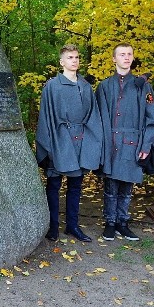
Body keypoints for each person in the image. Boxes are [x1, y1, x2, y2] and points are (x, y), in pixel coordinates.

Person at [95, 43, 154, 242]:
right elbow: (98, 119)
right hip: (110, 143)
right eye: (122, 54)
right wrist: (101, 146)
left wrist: (146, 145)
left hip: (133, 143)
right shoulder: (104, 86)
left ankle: (123, 223)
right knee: (110, 187)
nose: (126, 58)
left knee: (127, 187)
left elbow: (152, 119)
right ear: (114, 59)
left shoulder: (143, 86)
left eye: (129, 54)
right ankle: (110, 223)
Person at [35, 44, 103, 243]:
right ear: (61, 61)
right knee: (54, 184)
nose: (74, 61)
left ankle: (72, 225)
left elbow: (93, 116)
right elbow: (45, 118)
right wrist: (47, 146)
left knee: (76, 185)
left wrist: (92, 140)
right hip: (59, 139)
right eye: (70, 57)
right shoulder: (52, 86)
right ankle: (53, 226)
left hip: (80, 140)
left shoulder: (85, 86)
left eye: (77, 57)